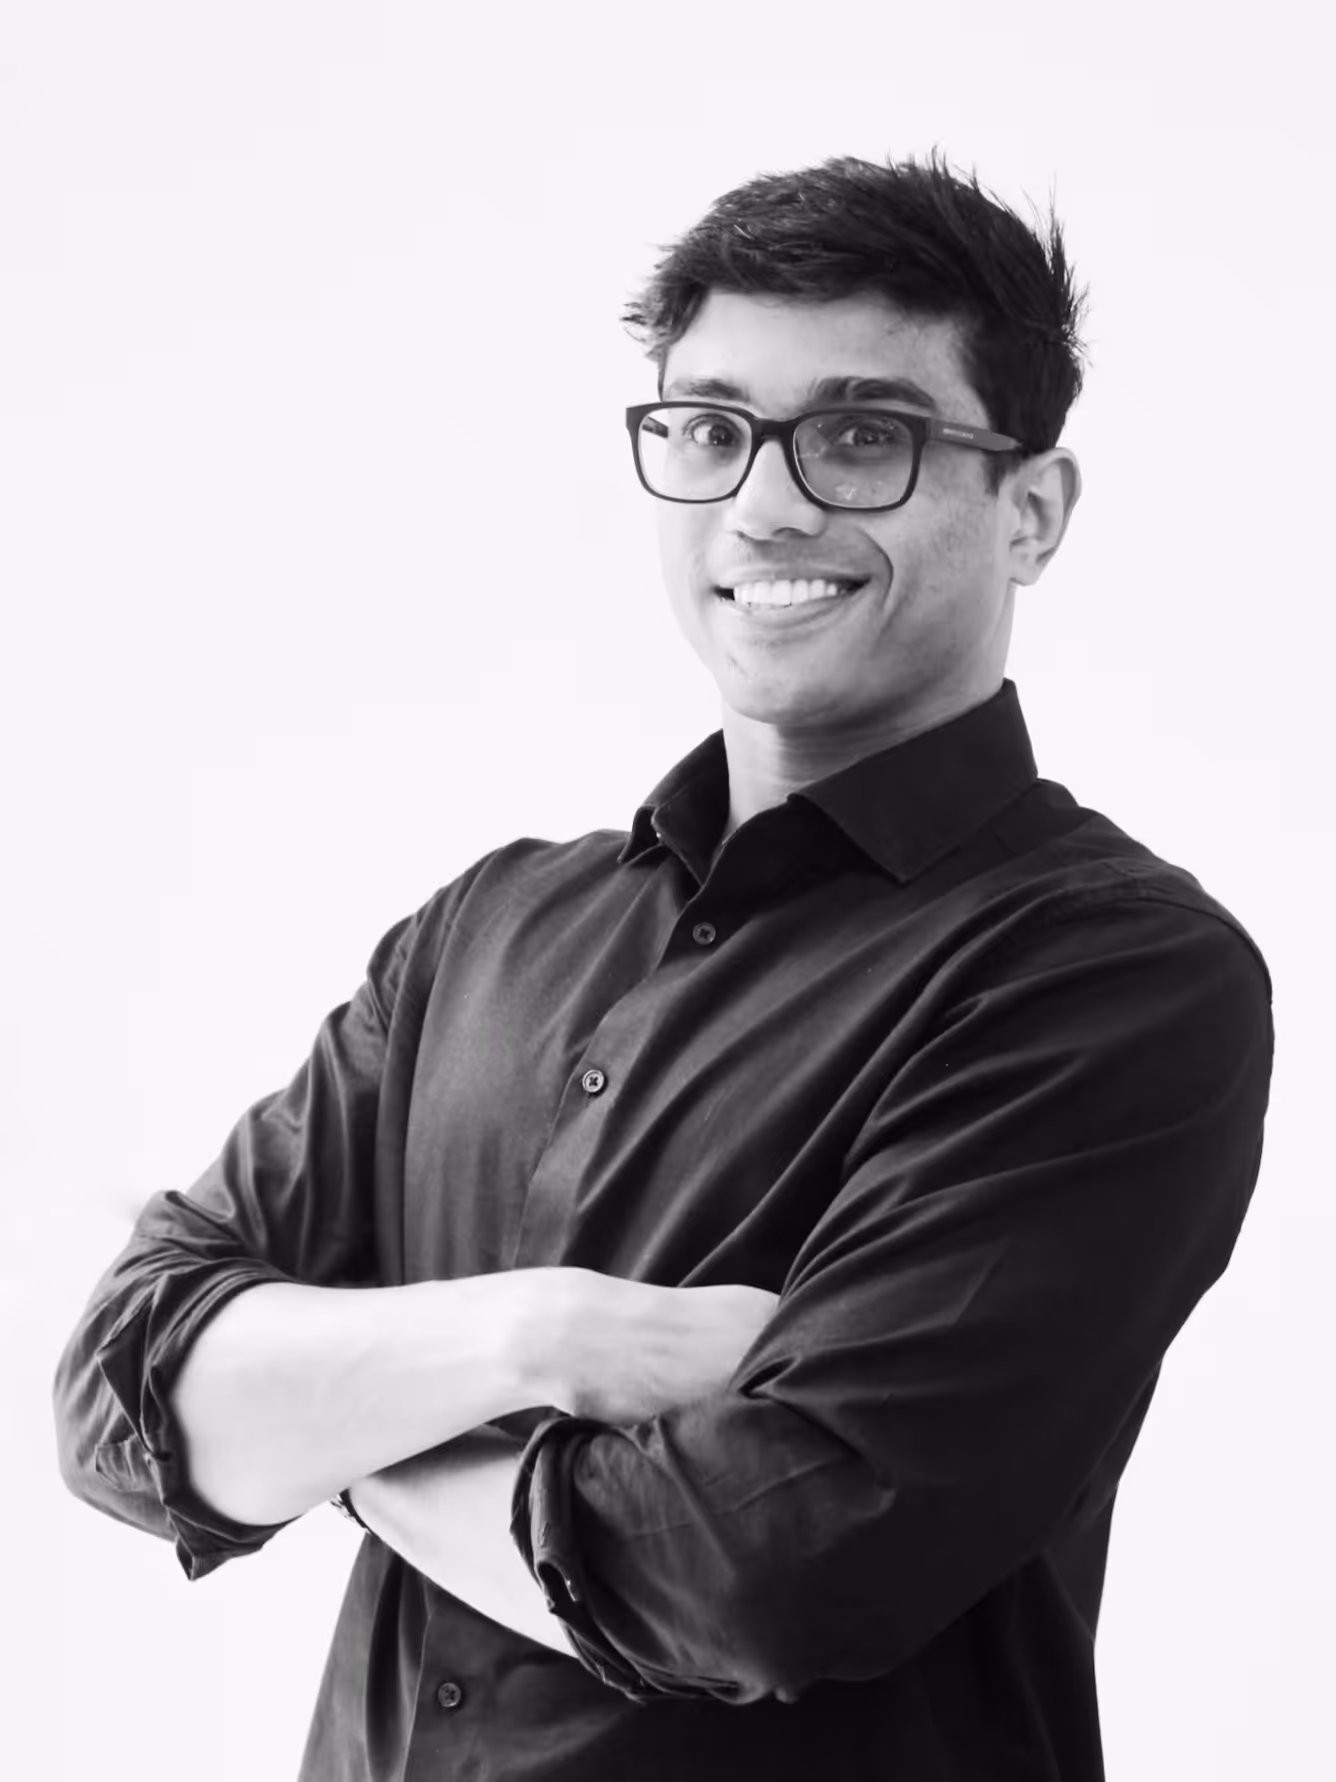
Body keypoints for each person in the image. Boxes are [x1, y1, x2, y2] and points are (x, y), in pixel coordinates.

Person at [53, 151, 1273, 1781]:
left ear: (1031, 510)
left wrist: (326, 1436)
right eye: (708, 430)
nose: (765, 503)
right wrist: (543, 1337)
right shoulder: (481, 930)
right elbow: (116, 1398)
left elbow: (757, 1571)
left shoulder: (1110, 976)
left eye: (863, 435)